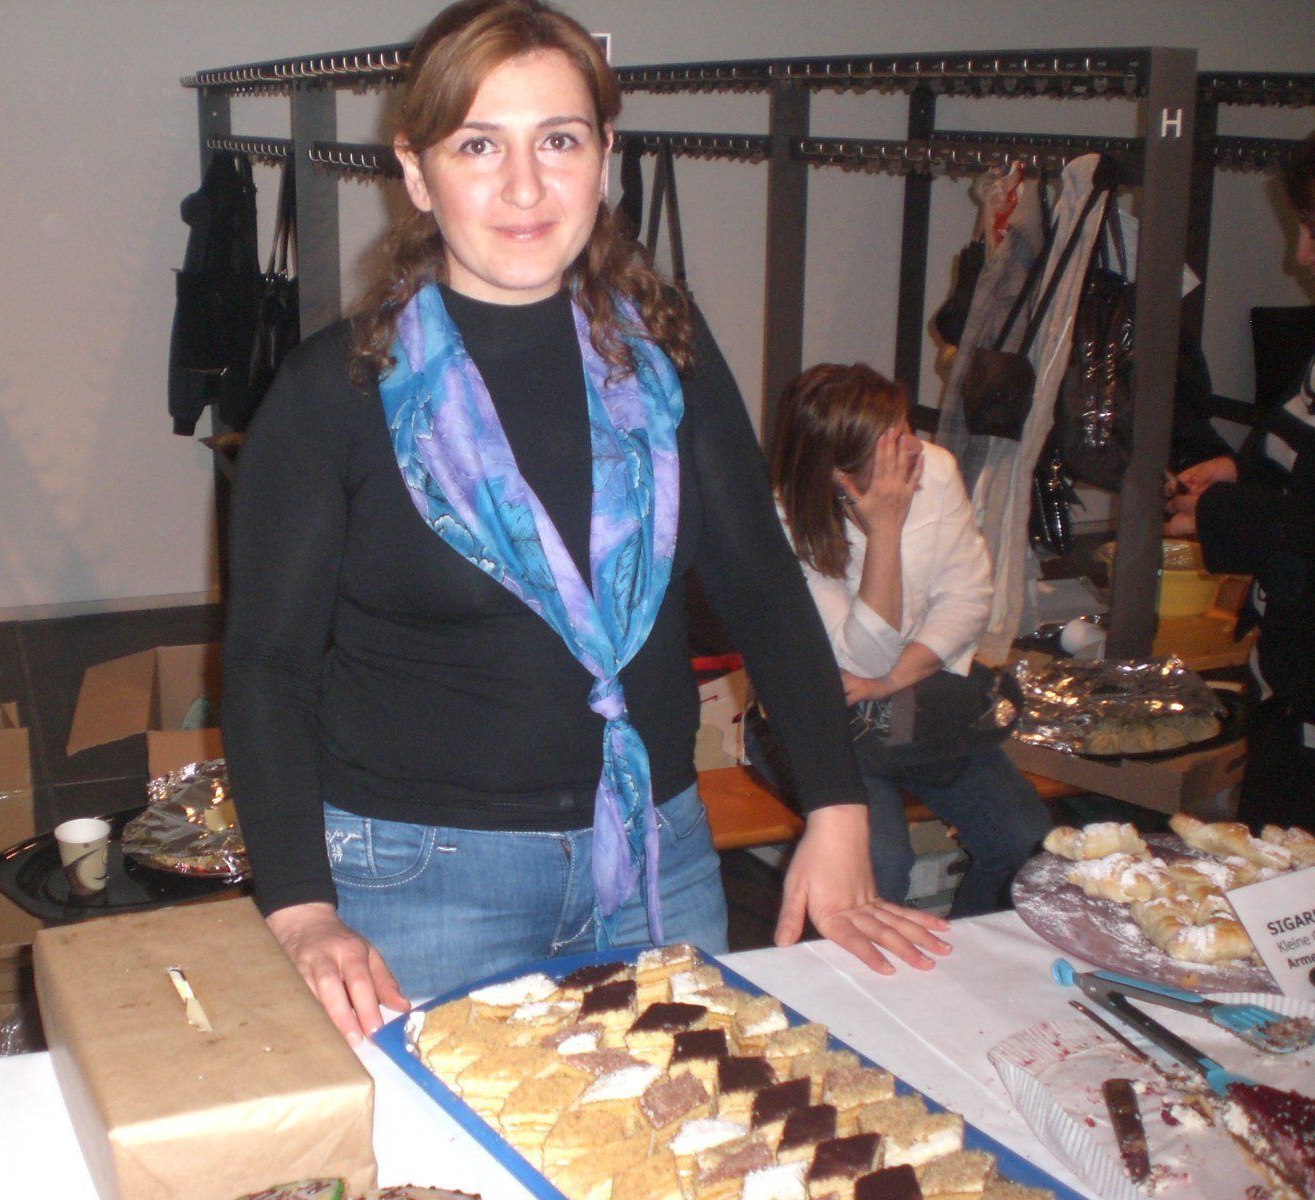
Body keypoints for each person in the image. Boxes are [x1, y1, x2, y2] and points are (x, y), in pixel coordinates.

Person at [220, 0, 949, 1046]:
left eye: (558, 140)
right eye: (479, 145)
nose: (525, 187)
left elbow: (760, 584)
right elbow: (266, 669)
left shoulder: (666, 354)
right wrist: (299, 909)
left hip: (659, 857)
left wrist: (835, 807)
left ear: (605, 155)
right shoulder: (334, 391)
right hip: (424, 884)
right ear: (417, 173)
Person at [760, 364, 1054, 917]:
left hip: (916, 701)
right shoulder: (782, 515)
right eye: (893, 443)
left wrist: (893, 679)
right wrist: (886, 532)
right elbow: (860, 655)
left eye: (908, 429)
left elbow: (969, 598)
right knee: (880, 869)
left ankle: (958, 957)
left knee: (1027, 847)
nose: (915, 449)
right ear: (839, 474)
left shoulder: (935, 470)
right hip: (826, 720)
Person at [1164, 134, 1315, 831]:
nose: (1301, 255)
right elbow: (1297, 437)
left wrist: (1224, 512)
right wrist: (1244, 468)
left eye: (1312, 228)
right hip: (1289, 681)